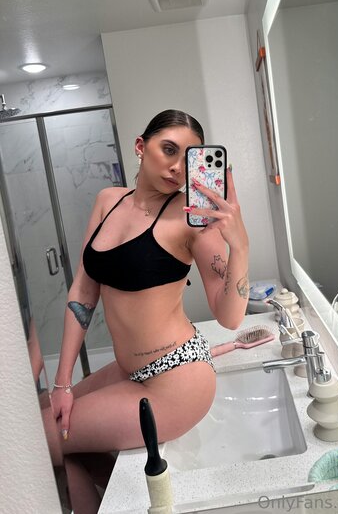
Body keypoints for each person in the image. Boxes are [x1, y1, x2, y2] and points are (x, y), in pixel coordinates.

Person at [45, 109, 249, 513]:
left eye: (188, 158)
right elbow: (84, 290)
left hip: (178, 381)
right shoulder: (107, 200)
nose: (177, 167)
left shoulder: (194, 221)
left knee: (41, 439)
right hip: (128, 369)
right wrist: (62, 382)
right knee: (57, 431)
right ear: (141, 146)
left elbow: (230, 316)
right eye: (168, 150)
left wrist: (239, 245)